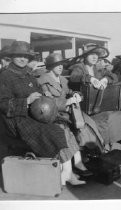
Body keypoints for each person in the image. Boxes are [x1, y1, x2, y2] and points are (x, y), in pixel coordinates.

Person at [0, 41, 87, 186]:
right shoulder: (4, 76)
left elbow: (38, 92)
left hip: (35, 113)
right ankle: (66, 173)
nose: (23, 59)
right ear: (12, 56)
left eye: (26, 56)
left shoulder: (28, 73)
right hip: (16, 120)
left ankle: (67, 171)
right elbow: (2, 104)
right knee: (54, 131)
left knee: (63, 125)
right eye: (19, 56)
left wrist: (43, 94)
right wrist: (26, 101)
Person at [37, 52, 105, 175]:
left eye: (61, 64)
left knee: (87, 123)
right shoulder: (43, 81)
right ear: (50, 66)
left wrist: (75, 94)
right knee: (67, 131)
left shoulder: (62, 79)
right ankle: (76, 163)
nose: (60, 67)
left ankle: (88, 154)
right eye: (56, 64)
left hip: (68, 112)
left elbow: (69, 91)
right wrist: (67, 101)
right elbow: (46, 103)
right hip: (54, 115)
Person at [69, 43, 121, 145]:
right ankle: (102, 145)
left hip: (97, 105)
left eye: (96, 54)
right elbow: (74, 77)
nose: (95, 57)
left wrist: (106, 79)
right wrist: (90, 78)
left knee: (118, 114)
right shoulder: (79, 67)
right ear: (85, 56)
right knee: (103, 120)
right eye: (91, 54)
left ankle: (109, 142)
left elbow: (114, 76)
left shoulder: (98, 68)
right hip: (82, 107)